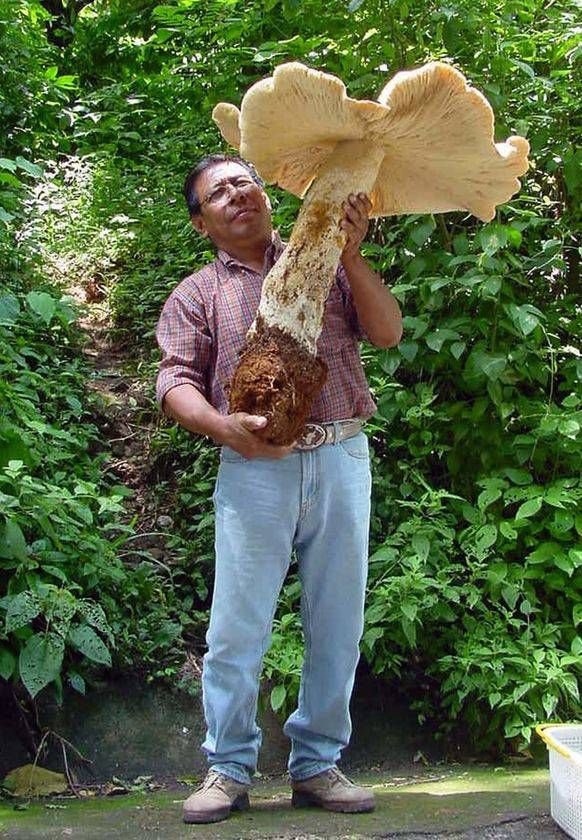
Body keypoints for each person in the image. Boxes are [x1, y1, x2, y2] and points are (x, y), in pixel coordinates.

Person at [155, 154, 403, 824]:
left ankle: (317, 764)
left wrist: (349, 253)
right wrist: (223, 428)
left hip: (341, 455)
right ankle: (228, 768)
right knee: (237, 625)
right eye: (219, 192)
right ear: (201, 220)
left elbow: (386, 330)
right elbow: (174, 381)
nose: (238, 194)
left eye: (246, 182)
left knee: (339, 621)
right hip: (253, 470)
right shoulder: (197, 294)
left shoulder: (317, 258)